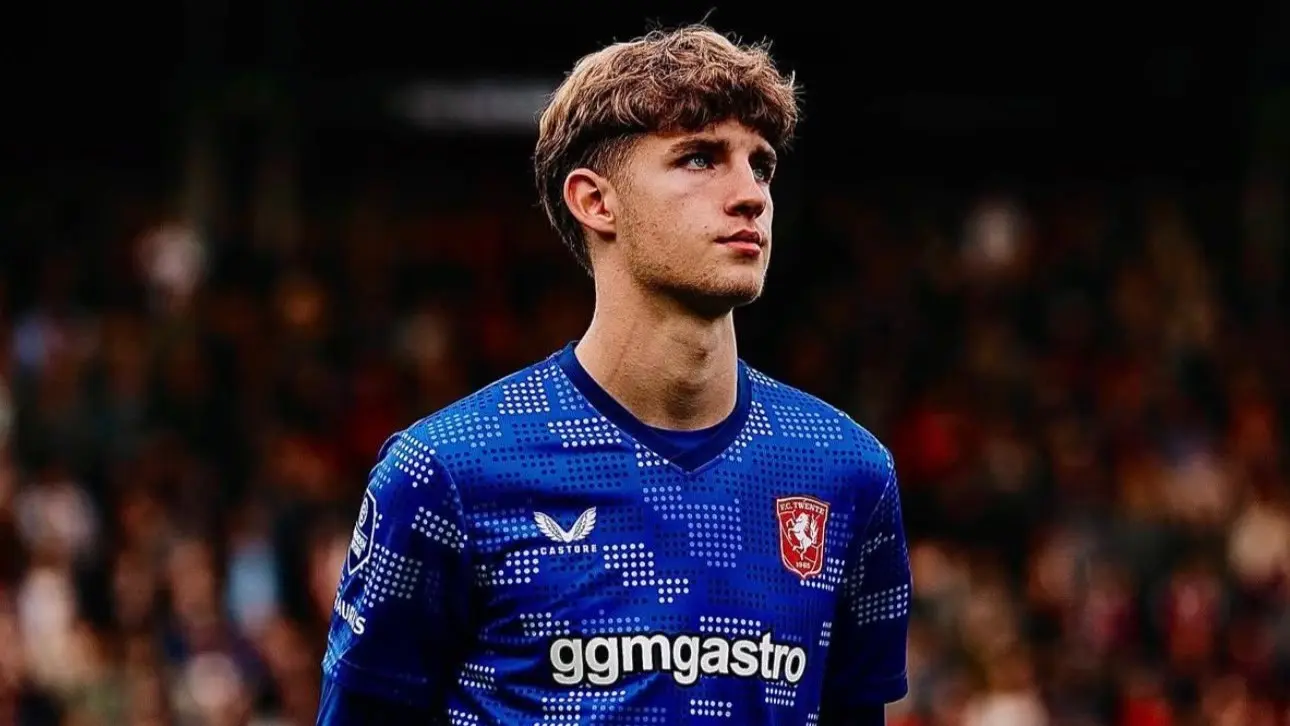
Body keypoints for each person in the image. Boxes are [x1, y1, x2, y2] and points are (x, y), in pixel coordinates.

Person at [316, 24, 911, 726]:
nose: (750, 194)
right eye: (700, 158)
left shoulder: (846, 471)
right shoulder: (448, 472)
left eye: (761, 165)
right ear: (596, 202)